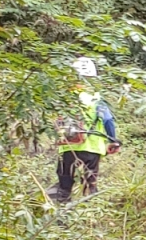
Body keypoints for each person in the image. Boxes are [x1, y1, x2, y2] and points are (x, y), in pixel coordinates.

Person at [46, 57, 121, 202]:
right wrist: (113, 140)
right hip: (92, 150)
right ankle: (88, 213)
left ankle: (62, 216)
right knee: (89, 184)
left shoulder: (65, 98)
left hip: (67, 148)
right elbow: (107, 120)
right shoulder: (96, 99)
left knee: (64, 185)